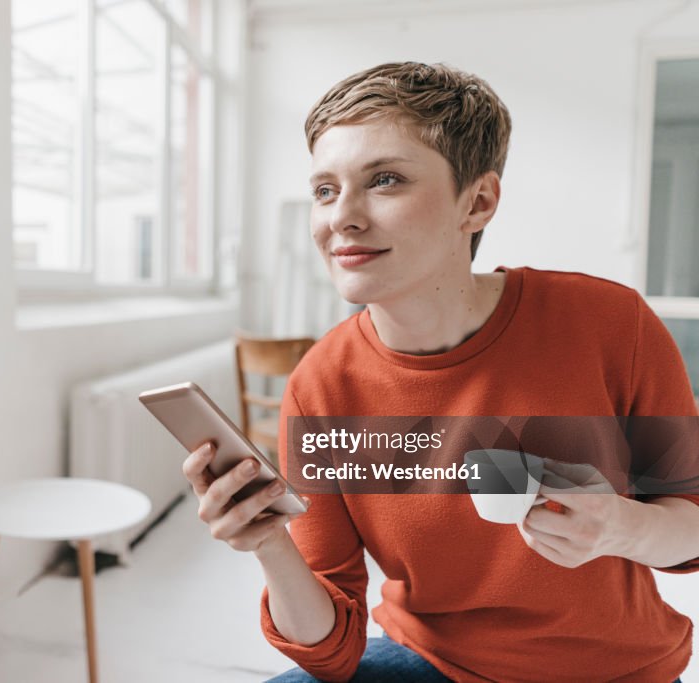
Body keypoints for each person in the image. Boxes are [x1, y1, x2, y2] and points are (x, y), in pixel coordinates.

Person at [181, 62, 699, 682]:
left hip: (612, 671)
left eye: (386, 180)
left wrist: (622, 527)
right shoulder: (323, 384)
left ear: (476, 202)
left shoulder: (611, 324)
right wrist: (268, 543)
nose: (340, 218)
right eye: (324, 189)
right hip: (430, 663)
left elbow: (690, 523)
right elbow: (333, 650)